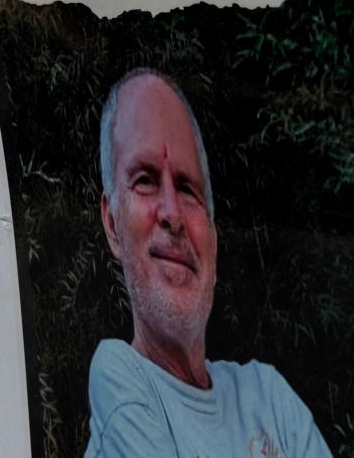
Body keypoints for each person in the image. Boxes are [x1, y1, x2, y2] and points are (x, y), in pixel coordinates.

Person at [85, 67, 331, 457]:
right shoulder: (120, 377)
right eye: (146, 180)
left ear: (213, 240)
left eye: (187, 188)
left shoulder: (269, 396)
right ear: (113, 224)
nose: (173, 214)